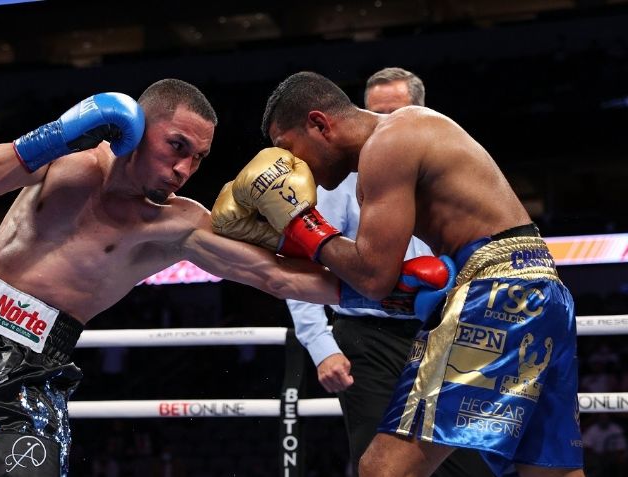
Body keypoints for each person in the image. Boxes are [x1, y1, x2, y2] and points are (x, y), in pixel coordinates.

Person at [0, 79, 345, 477]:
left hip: (23, 370)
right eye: (176, 146)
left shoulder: (175, 223)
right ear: (138, 127)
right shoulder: (68, 158)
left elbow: (275, 276)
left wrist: (377, 285)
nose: (183, 169)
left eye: (198, 159)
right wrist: (59, 134)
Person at [212, 71, 584, 476]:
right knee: (549, 471)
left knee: (383, 469)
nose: (293, 167)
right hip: (539, 290)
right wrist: (277, 237)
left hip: (496, 291)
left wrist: (300, 221)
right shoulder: (399, 141)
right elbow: (366, 269)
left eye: (288, 148)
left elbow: (373, 277)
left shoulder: (387, 144)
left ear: (319, 124)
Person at [285, 67, 492, 477]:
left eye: (395, 112)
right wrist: (322, 347)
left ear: (422, 114)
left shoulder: (444, 169)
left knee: (468, 465)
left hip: (441, 331)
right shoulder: (341, 180)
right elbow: (303, 265)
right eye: (375, 112)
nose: (384, 123)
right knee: (380, 464)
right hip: (369, 340)